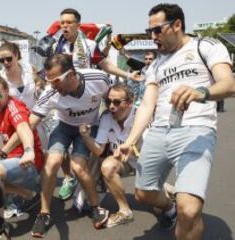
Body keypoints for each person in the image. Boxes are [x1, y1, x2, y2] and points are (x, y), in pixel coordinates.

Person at [116, 4, 235, 240]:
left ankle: (180, 210)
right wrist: (130, 140)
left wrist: (202, 92)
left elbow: (229, 84)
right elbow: (148, 105)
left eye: (158, 30)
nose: (153, 37)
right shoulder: (157, 64)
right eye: (149, 31)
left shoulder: (206, 46)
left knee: (189, 211)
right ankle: (169, 208)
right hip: (158, 132)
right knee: (143, 194)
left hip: (196, 131)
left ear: (177, 24)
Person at [7, 54, 109, 237]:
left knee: (78, 166)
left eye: (56, 81)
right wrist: (3, 150)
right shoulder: (51, 93)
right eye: (49, 81)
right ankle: (44, 214)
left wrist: (113, 133)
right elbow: (29, 124)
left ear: (71, 74)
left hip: (87, 129)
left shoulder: (98, 78)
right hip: (63, 127)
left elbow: (113, 102)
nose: (52, 86)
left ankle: (96, 208)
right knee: (52, 162)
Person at [53, 8, 142, 202]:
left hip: (88, 100)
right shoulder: (55, 47)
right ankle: (69, 178)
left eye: (69, 22)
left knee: (91, 145)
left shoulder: (89, 45)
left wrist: (127, 75)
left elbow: (105, 65)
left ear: (78, 24)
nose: (65, 26)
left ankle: (95, 181)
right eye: (62, 23)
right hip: (66, 102)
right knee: (60, 145)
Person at [0, 74, 43, 215]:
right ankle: (28, 195)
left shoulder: (14, 107)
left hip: (28, 162)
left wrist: (29, 150)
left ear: (7, 91)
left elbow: (23, 128)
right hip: (11, 161)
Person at [79, 83, 136, 228]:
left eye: (117, 102)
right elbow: (98, 150)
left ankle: (164, 192)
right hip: (123, 162)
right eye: (108, 101)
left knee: (151, 199)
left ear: (130, 103)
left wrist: (130, 146)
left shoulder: (141, 115)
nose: (111, 106)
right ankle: (125, 211)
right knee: (107, 166)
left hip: (146, 161)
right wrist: (85, 136)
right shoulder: (106, 117)